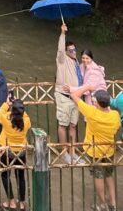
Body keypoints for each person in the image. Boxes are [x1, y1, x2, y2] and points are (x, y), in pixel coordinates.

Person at [67, 86, 121, 211]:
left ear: (97, 103)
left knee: (98, 177)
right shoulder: (115, 115)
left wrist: (87, 86)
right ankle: (113, 204)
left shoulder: (91, 112)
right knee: (109, 175)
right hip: (109, 151)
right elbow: (117, 128)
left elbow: (74, 95)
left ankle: (103, 205)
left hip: (95, 151)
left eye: (94, 100)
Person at [0, 96, 31, 210]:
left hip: (8, 152)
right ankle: (21, 203)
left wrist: (7, 104)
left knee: (5, 175)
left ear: (12, 110)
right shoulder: (26, 121)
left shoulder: (6, 119)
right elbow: (25, 115)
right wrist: (19, 106)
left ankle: (11, 202)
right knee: (20, 177)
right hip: (21, 152)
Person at [55, 23, 83, 162]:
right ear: (66, 52)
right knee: (63, 125)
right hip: (64, 96)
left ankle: (73, 152)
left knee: (73, 125)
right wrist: (63, 33)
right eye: (70, 50)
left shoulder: (76, 61)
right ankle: (64, 152)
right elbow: (60, 50)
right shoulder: (62, 60)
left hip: (75, 96)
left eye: (74, 50)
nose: (73, 52)